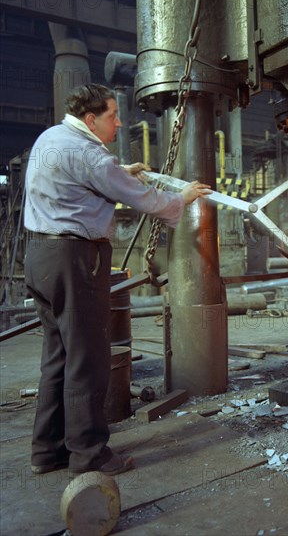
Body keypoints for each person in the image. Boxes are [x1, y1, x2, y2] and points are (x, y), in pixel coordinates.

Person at [24, 83, 211, 476]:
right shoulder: (90, 153)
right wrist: (183, 199)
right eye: (113, 116)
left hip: (41, 258)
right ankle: (89, 456)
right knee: (88, 361)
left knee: (58, 357)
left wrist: (121, 172)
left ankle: (47, 450)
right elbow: (146, 200)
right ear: (91, 120)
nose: (119, 122)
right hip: (75, 261)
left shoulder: (52, 138)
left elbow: (80, 179)